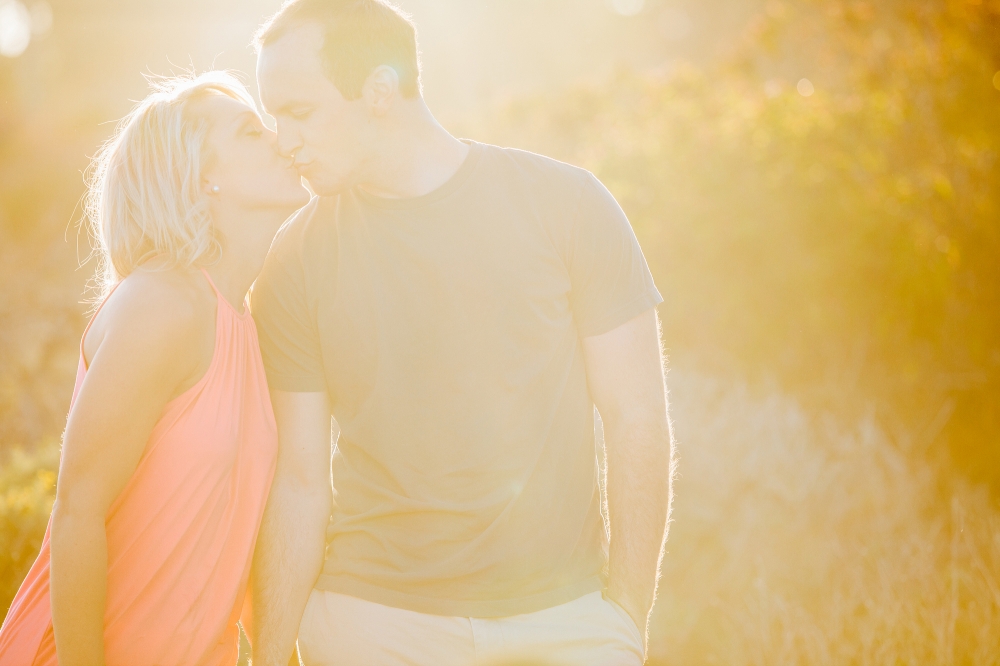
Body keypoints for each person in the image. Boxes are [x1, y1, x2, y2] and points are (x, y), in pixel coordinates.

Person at [249, 1, 675, 664]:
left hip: (566, 621)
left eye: (297, 111)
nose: (282, 139)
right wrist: (272, 657)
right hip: (374, 622)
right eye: (272, 116)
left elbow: (636, 415)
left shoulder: (568, 204)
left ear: (380, 91)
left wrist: (623, 615)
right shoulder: (293, 260)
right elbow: (301, 481)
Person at [0, 72, 309, 666]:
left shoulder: (246, 321)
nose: (278, 138)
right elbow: (77, 512)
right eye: (251, 130)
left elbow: (230, 525)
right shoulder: (162, 303)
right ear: (201, 177)